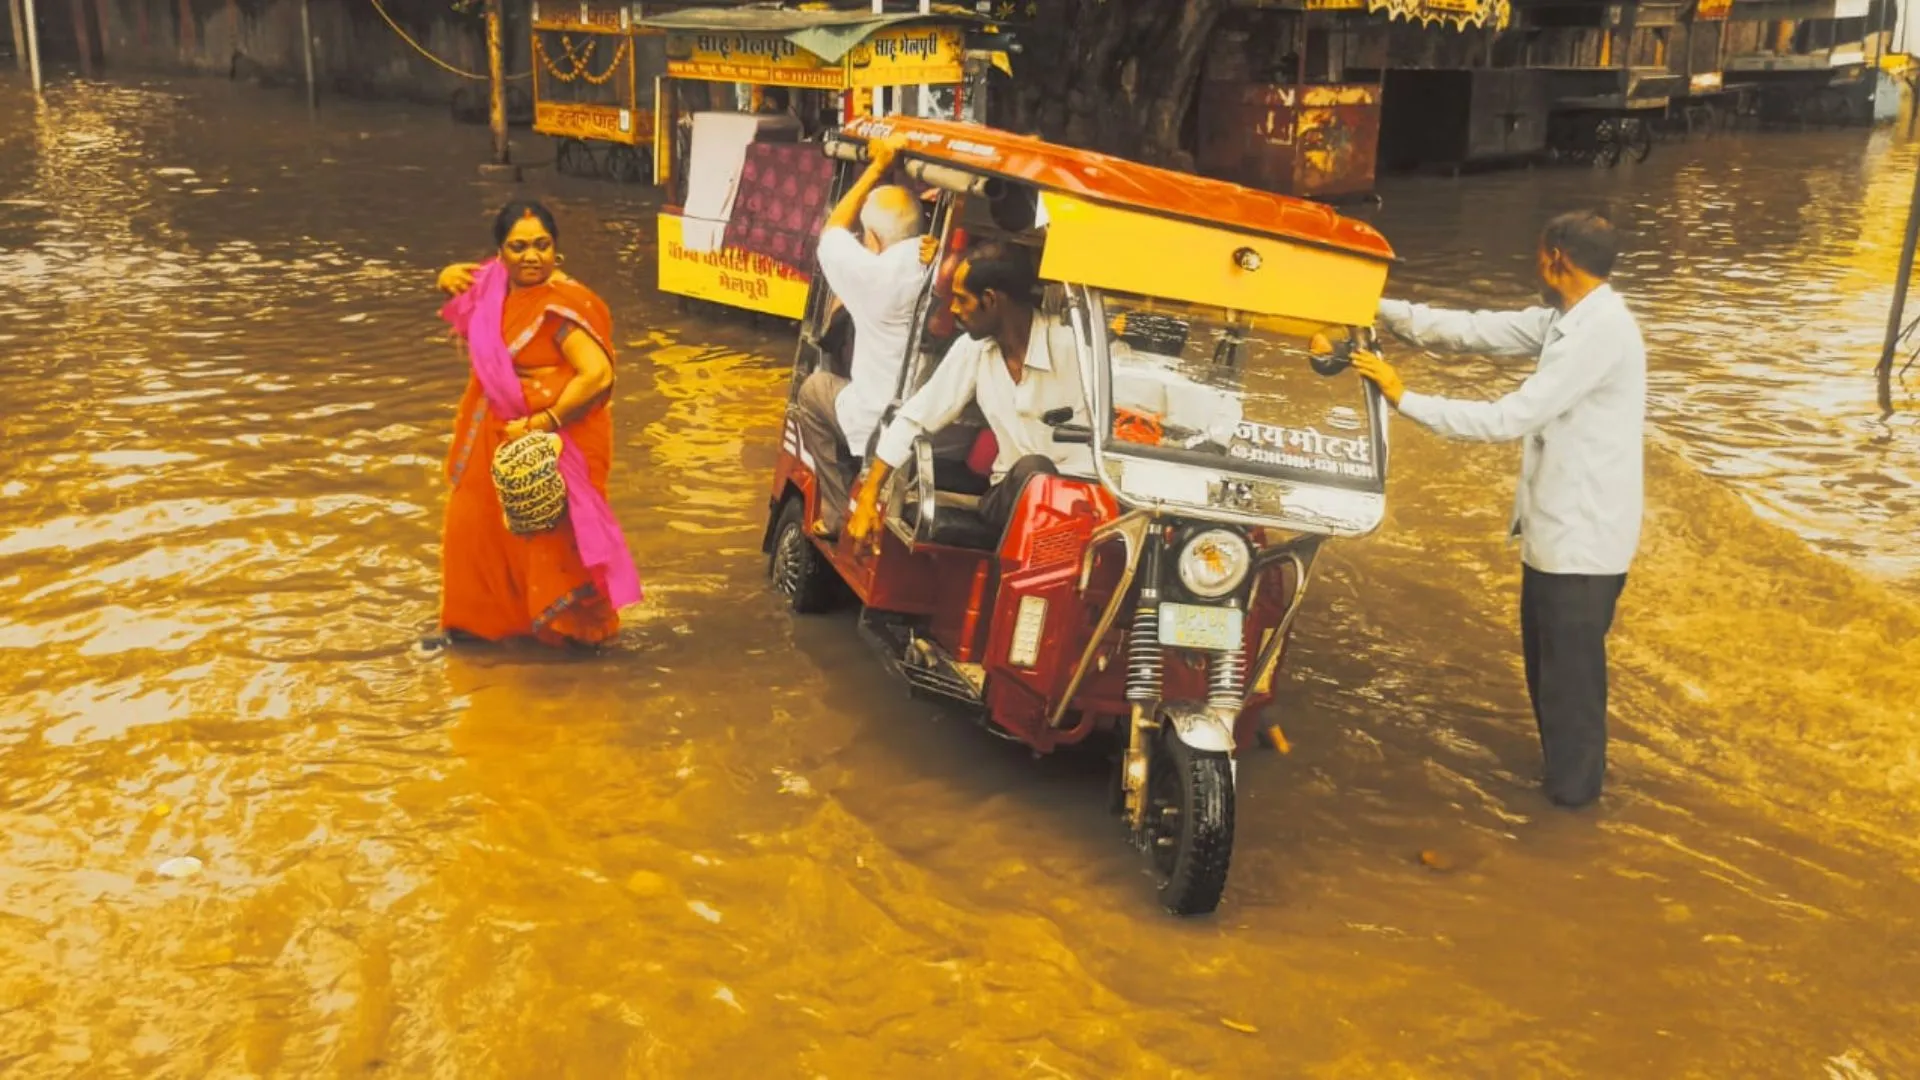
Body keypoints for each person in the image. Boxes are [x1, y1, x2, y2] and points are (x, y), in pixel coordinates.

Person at [1351, 210, 1645, 809]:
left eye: (1538, 255)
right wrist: (1370, 306)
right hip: (1556, 534)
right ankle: (1566, 796)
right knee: (1549, 676)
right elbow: (1472, 331)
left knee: (1569, 690)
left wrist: (1404, 397)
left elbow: (1510, 417)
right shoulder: (1569, 318)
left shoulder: (1600, 334)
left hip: (1582, 543)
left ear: (1555, 258)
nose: (1534, 265)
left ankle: (1572, 808)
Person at [429, 200, 643, 647]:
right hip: (495, 437)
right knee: (475, 526)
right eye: (519, 247)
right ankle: (479, 629)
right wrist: (445, 275)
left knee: (551, 535)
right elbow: (462, 285)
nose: (532, 256)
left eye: (542, 245)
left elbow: (597, 375)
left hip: (551, 440)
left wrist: (543, 421)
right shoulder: (495, 287)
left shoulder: (563, 304)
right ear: (500, 253)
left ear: (556, 249)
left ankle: (576, 635)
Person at [845, 241, 1091, 544]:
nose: (953, 309)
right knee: (1036, 471)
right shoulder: (973, 350)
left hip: (1082, 503)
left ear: (990, 300)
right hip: (1009, 500)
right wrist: (869, 494)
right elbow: (916, 417)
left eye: (961, 299)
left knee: (1045, 477)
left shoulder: (1075, 349)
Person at [795, 134, 934, 538]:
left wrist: (876, 167)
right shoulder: (934, 260)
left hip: (879, 421)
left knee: (812, 390)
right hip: (932, 426)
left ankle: (838, 512)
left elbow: (832, 232)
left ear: (871, 240)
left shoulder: (875, 275)